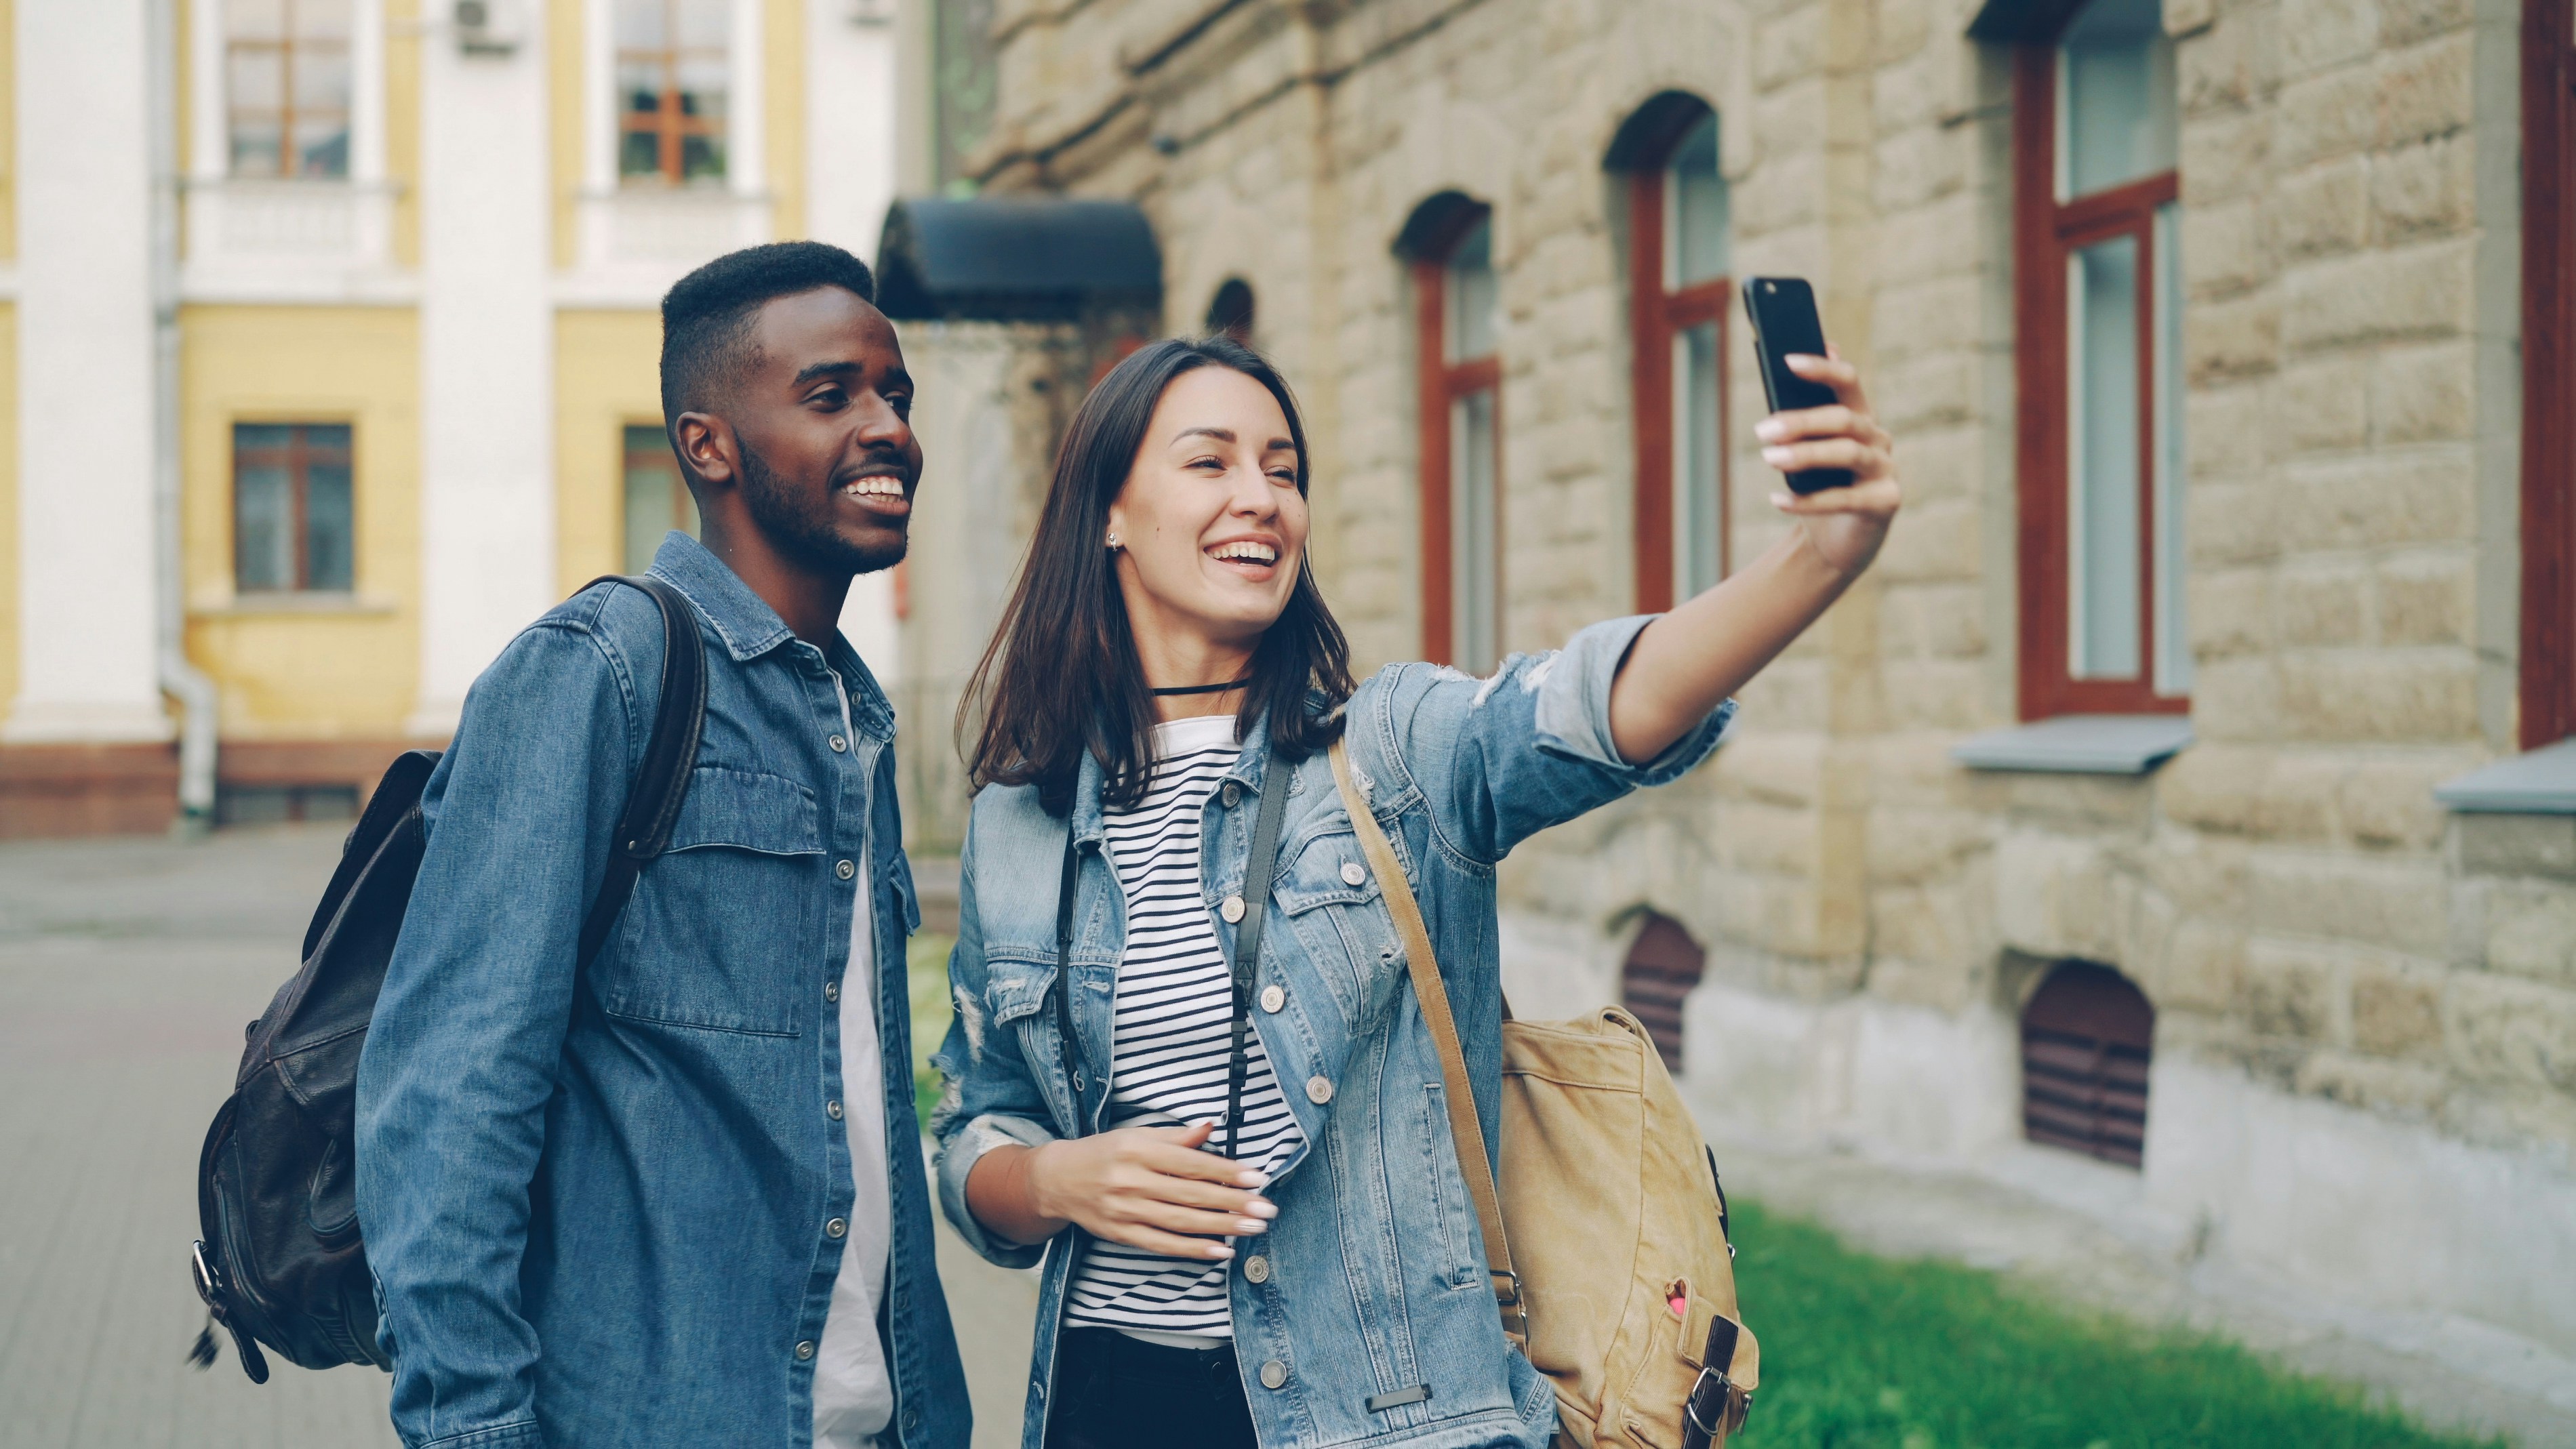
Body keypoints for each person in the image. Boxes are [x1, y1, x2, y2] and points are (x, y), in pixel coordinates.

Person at [930, 333, 1899, 1449]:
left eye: (1284, 469)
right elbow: (975, 1125)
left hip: (1385, 1418)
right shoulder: (1024, 818)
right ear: (1108, 511)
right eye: (1212, 463)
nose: (1262, 498)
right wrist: (1055, 1179)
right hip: (1108, 1400)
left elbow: (1591, 708)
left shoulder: (1392, 752)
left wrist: (1819, 557)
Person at [357, 241, 968, 1449]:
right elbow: (447, 1094)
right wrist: (473, 1426)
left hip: (875, 1415)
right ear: (708, 444)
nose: (888, 426)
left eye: (895, 393)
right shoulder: (599, 675)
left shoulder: (856, 720)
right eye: (831, 393)